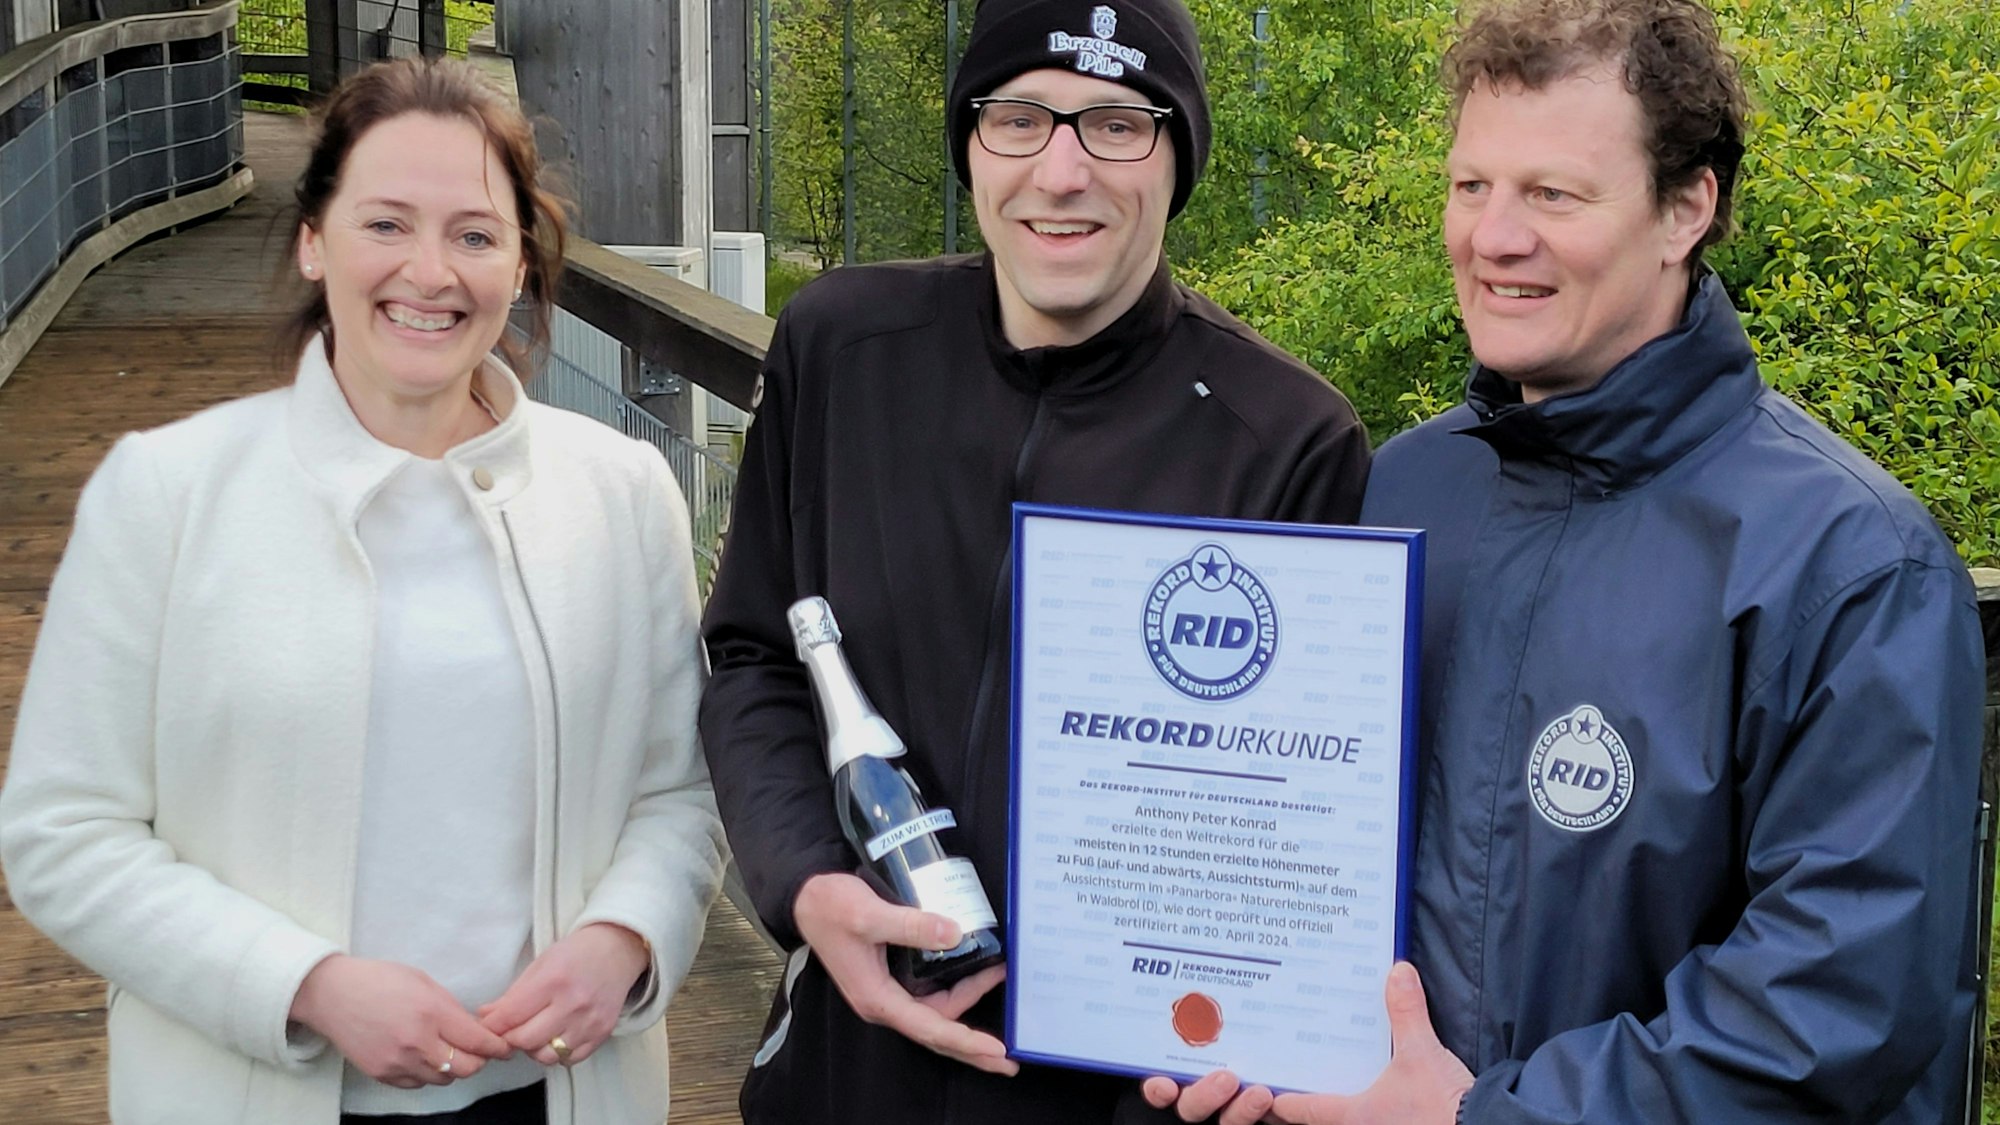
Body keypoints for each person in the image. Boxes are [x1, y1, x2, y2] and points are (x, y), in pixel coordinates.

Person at [1146, 1, 1985, 1122]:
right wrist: (1237, 1021)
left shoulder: (1847, 566)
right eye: (1469, 187)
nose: (1493, 236)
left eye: (1552, 194)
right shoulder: (1395, 495)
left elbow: (1835, 1007)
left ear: (1685, 207)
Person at [0, 58, 727, 1125]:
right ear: (312, 240)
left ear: (521, 262)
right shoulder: (164, 492)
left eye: (475, 234)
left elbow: (682, 795)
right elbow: (62, 835)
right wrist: (306, 986)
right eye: (385, 224)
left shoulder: (623, 492)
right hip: (250, 1093)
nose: (429, 272)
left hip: (559, 1095)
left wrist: (625, 940)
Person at [697, 1, 1372, 1121]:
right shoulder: (841, 349)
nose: (1060, 174)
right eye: (1018, 119)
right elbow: (754, 652)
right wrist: (807, 884)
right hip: (843, 1060)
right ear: (970, 143)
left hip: (1124, 1089)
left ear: (1175, 157)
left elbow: (1293, 811)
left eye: (1115, 124)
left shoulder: (1287, 440)